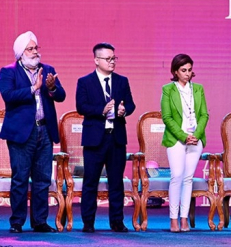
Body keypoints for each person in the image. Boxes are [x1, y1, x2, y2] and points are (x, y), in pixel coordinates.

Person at [0, 31, 65, 233]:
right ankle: (17, 222)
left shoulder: (48, 70)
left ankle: (39, 221)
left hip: (44, 130)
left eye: (36, 48)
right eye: (30, 49)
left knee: (43, 178)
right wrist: (33, 88)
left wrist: (52, 88)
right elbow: (8, 96)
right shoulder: (9, 71)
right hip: (21, 133)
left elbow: (61, 96)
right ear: (21, 53)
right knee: (20, 178)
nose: (35, 52)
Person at [76, 42, 136, 233]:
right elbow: (81, 106)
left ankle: (117, 222)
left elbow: (132, 105)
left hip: (116, 137)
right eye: (108, 59)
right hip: (94, 138)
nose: (112, 62)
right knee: (90, 182)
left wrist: (124, 110)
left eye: (114, 58)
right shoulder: (84, 82)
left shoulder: (122, 81)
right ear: (96, 60)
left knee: (116, 181)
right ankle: (88, 222)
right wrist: (101, 111)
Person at [161, 54, 209, 233]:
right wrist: (183, 136)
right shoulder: (168, 89)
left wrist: (195, 135)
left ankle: (184, 218)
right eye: (183, 70)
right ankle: (173, 219)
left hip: (196, 139)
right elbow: (166, 117)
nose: (187, 74)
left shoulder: (198, 89)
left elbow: (204, 114)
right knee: (177, 176)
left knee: (188, 179)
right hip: (176, 139)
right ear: (175, 71)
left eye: (189, 70)